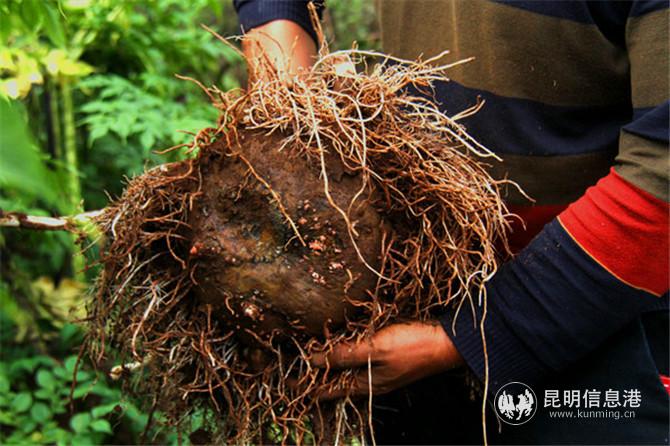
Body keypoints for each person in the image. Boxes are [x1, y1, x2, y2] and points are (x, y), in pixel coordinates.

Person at [233, 1, 669, 444]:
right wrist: (286, 101)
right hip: (410, 302)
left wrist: (470, 338)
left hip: (607, 330)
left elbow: (663, 173)